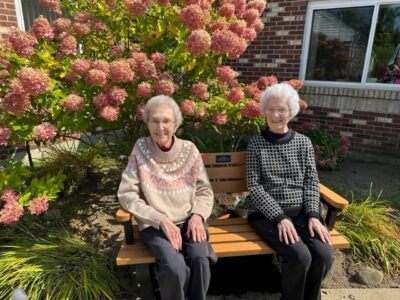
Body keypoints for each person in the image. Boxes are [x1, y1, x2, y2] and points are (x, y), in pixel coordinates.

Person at [117, 95, 216, 300]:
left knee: (200, 259)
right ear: (146, 122)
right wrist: (159, 220)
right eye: (154, 120)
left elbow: (204, 191)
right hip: (156, 226)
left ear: (176, 124)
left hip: (189, 221)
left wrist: (198, 215)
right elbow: (126, 195)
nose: (160, 127)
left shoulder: (189, 149)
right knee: (175, 268)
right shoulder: (141, 148)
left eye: (166, 121)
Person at [245, 83, 333, 300]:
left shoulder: (304, 143)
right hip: (266, 215)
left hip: (302, 213)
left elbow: (312, 181)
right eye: (271, 109)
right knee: (299, 256)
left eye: (282, 109)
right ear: (264, 111)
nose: (276, 114)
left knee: (324, 255)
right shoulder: (256, 144)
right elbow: (254, 187)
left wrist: (314, 215)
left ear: (291, 112)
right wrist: (280, 217)